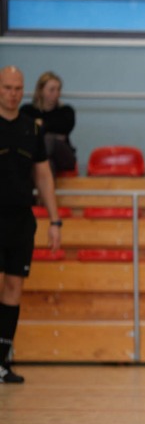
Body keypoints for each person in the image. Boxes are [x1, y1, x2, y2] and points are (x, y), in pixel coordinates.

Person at [0, 65, 62, 383]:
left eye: (17, 88)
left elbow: (43, 176)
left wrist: (55, 220)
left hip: (21, 219)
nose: (12, 94)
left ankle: (1, 362)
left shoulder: (30, 128)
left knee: (14, 287)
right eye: (7, 87)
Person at [20, 71, 76, 176]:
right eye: (52, 90)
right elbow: (23, 132)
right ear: (41, 90)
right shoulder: (27, 111)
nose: (56, 93)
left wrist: (41, 126)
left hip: (64, 156)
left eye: (58, 89)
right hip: (41, 158)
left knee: (48, 139)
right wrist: (53, 132)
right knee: (48, 164)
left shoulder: (66, 111)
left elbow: (65, 127)